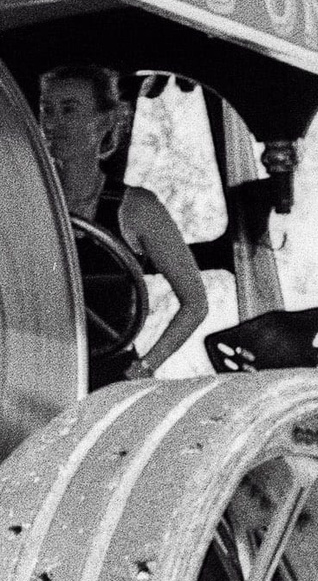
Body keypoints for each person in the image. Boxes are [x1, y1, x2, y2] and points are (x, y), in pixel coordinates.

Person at [38, 66, 209, 383]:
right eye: (47, 110)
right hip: (40, 374)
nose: (53, 123)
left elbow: (196, 303)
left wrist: (144, 368)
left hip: (110, 381)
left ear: (105, 120)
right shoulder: (30, 203)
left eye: (69, 109)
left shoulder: (138, 209)